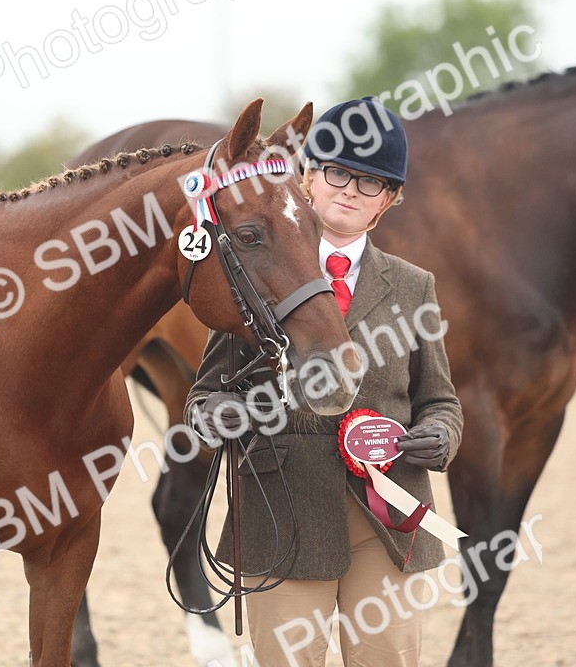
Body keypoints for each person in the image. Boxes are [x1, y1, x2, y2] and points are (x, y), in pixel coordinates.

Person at [185, 98, 463, 666]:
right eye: (337, 172)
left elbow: (440, 400)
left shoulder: (413, 287)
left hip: (388, 513)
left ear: (387, 202)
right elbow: (204, 393)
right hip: (282, 509)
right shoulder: (254, 267)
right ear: (309, 179)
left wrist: (440, 435)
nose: (350, 190)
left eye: (370, 183)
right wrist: (214, 415)